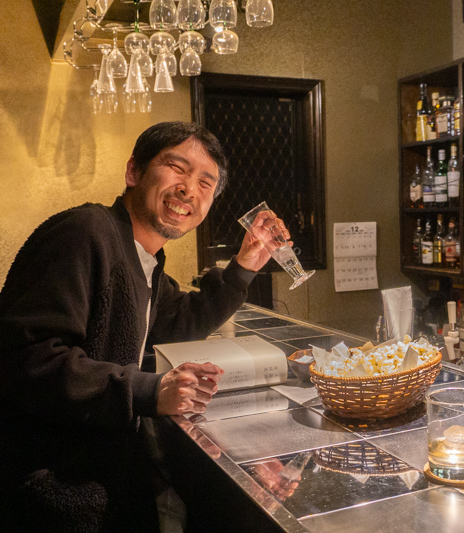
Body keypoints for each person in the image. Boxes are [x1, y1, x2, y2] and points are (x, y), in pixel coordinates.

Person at [0, 122, 289, 532]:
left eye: (205, 183)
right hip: (52, 483)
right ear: (134, 171)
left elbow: (178, 322)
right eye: (177, 168)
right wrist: (149, 390)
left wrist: (244, 267)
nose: (189, 189)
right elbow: (27, 358)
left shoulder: (143, 259)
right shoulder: (85, 233)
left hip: (100, 467)